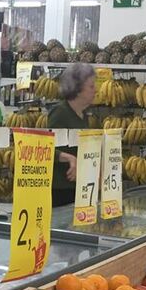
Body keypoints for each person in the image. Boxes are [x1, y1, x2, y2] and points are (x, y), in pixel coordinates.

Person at [48, 63, 96, 207]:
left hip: (79, 186)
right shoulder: (60, 113)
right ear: (78, 88)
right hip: (60, 189)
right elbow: (46, 148)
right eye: (91, 86)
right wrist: (69, 158)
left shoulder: (83, 115)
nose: (96, 90)